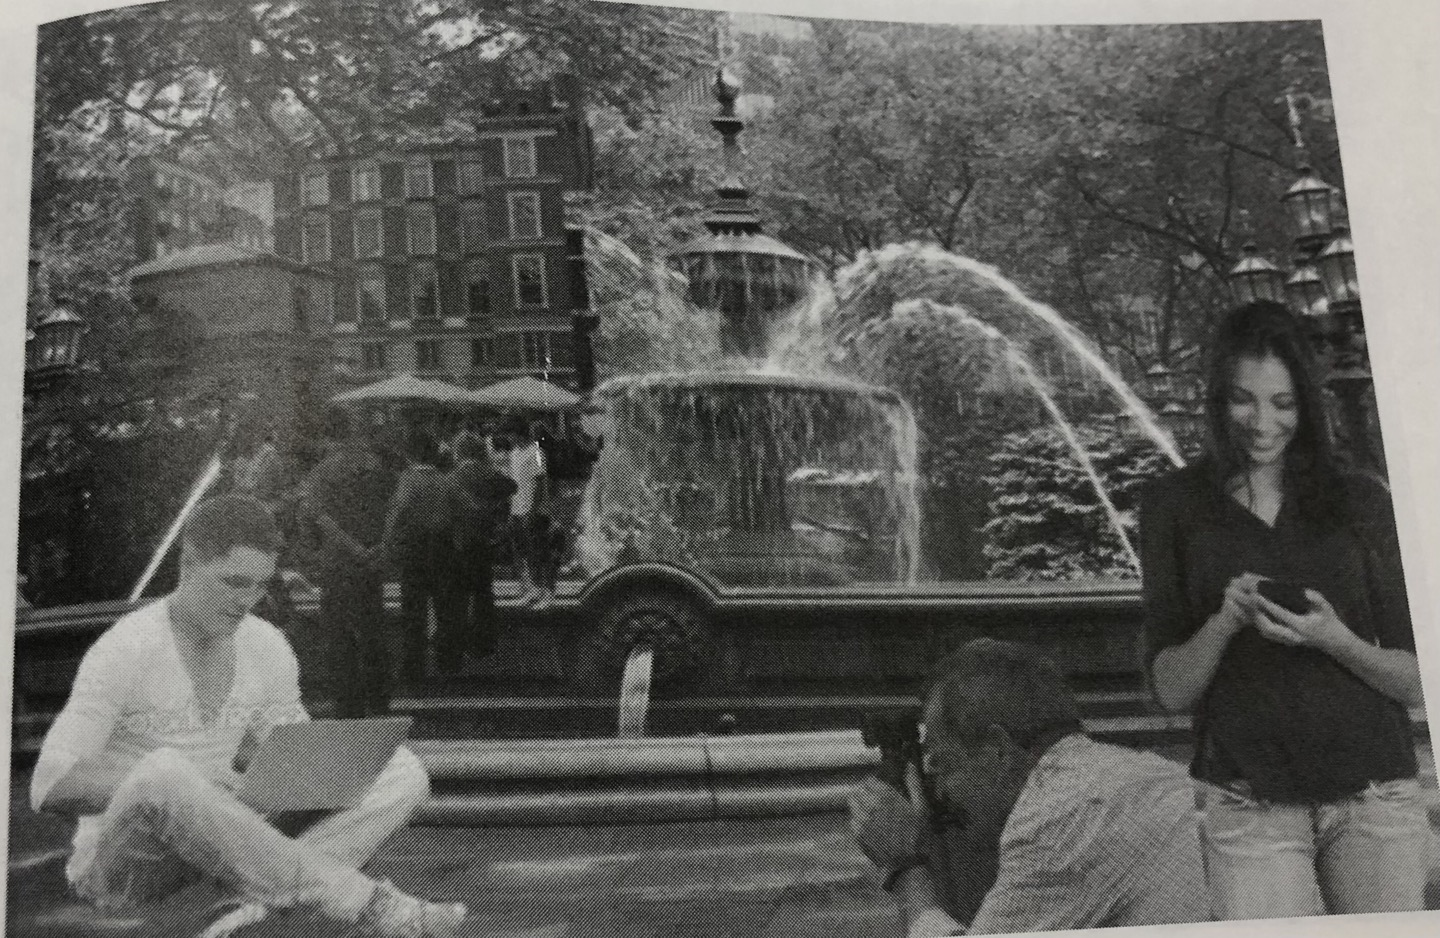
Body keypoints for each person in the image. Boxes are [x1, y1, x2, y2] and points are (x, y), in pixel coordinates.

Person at [29, 495, 466, 938]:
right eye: (234, 583)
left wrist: (315, 764)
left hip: (228, 846)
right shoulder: (124, 649)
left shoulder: (267, 644)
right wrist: (194, 784)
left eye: (260, 587)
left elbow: (291, 755)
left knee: (403, 769)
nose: (247, 601)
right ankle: (364, 902)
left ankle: (247, 909)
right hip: (126, 869)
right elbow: (50, 785)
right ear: (188, 564)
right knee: (164, 771)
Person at [1140, 300, 1428, 920]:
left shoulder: (1360, 501)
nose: (1263, 422)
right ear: (1217, 399)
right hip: (1249, 804)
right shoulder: (1173, 506)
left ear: (1308, 406)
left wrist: (1334, 638)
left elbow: (1417, 681)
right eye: (1243, 400)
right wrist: (1224, 621)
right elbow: (1171, 690)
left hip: (1375, 796)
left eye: (1284, 403)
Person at [849, 638, 1208, 937]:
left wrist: (905, 868)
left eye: (943, 764)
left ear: (1000, 752)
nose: (940, 790)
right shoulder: (1133, 774)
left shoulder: (1056, 819)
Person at [295, 409, 398, 717]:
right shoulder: (375, 466)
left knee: (340, 636)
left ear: (326, 436)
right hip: (372, 563)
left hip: (339, 564)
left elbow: (319, 519)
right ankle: (379, 699)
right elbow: (394, 508)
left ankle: (348, 703)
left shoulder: (322, 473)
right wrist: (379, 547)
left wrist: (353, 549)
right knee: (373, 629)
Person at [382, 427, 473, 680]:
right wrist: (458, 537)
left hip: (416, 547)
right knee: (446, 605)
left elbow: (398, 513)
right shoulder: (447, 481)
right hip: (444, 546)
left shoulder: (408, 480)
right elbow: (468, 508)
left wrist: (388, 542)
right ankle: (449, 661)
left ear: (409, 454)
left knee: (413, 607)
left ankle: (414, 664)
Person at [451, 429, 517, 658]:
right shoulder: (487, 472)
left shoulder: (454, 476)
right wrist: (493, 507)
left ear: (459, 452)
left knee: (460, 592)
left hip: (459, 540)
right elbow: (511, 486)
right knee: (483, 591)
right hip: (484, 539)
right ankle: (484, 642)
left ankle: (461, 640)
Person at [504, 420, 548, 604]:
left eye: (510, 434)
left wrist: (533, 509)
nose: (508, 438)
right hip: (515, 509)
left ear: (518, 434)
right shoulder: (513, 453)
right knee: (518, 550)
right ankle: (526, 588)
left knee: (532, 551)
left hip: (529, 509)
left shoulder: (536, 452)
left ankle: (538, 588)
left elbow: (540, 481)